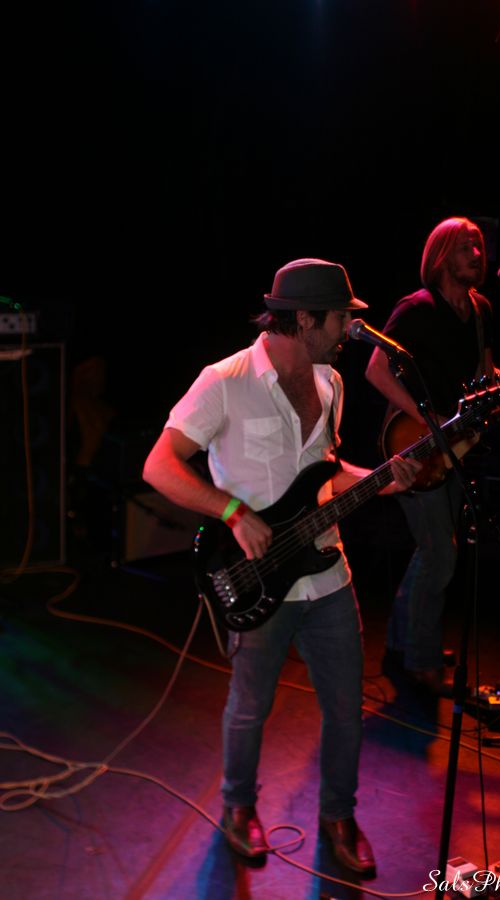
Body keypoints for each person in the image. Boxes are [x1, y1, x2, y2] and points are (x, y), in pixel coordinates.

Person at [143, 258, 421, 874]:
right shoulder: (224, 381)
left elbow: (327, 473)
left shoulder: (330, 382)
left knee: (345, 708)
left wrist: (385, 480)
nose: (349, 329)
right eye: (342, 317)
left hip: (328, 576)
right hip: (258, 579)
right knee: (250, 707)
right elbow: (159, 465)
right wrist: (232, 512)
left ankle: (339, 816)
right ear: (305, 319)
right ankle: (238, 807)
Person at [365, 217, 500, 697]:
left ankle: (402, 644)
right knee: (440, 554)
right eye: (465, 247)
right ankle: (419, 661)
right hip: (413, 444)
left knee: (435, 550)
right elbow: (376, 370)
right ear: (441, 256)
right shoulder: (416, 308)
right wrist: (428, 418)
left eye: (479, 246)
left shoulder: (480, 311)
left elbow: (487, 374)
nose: (477, 255)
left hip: (455, 446)